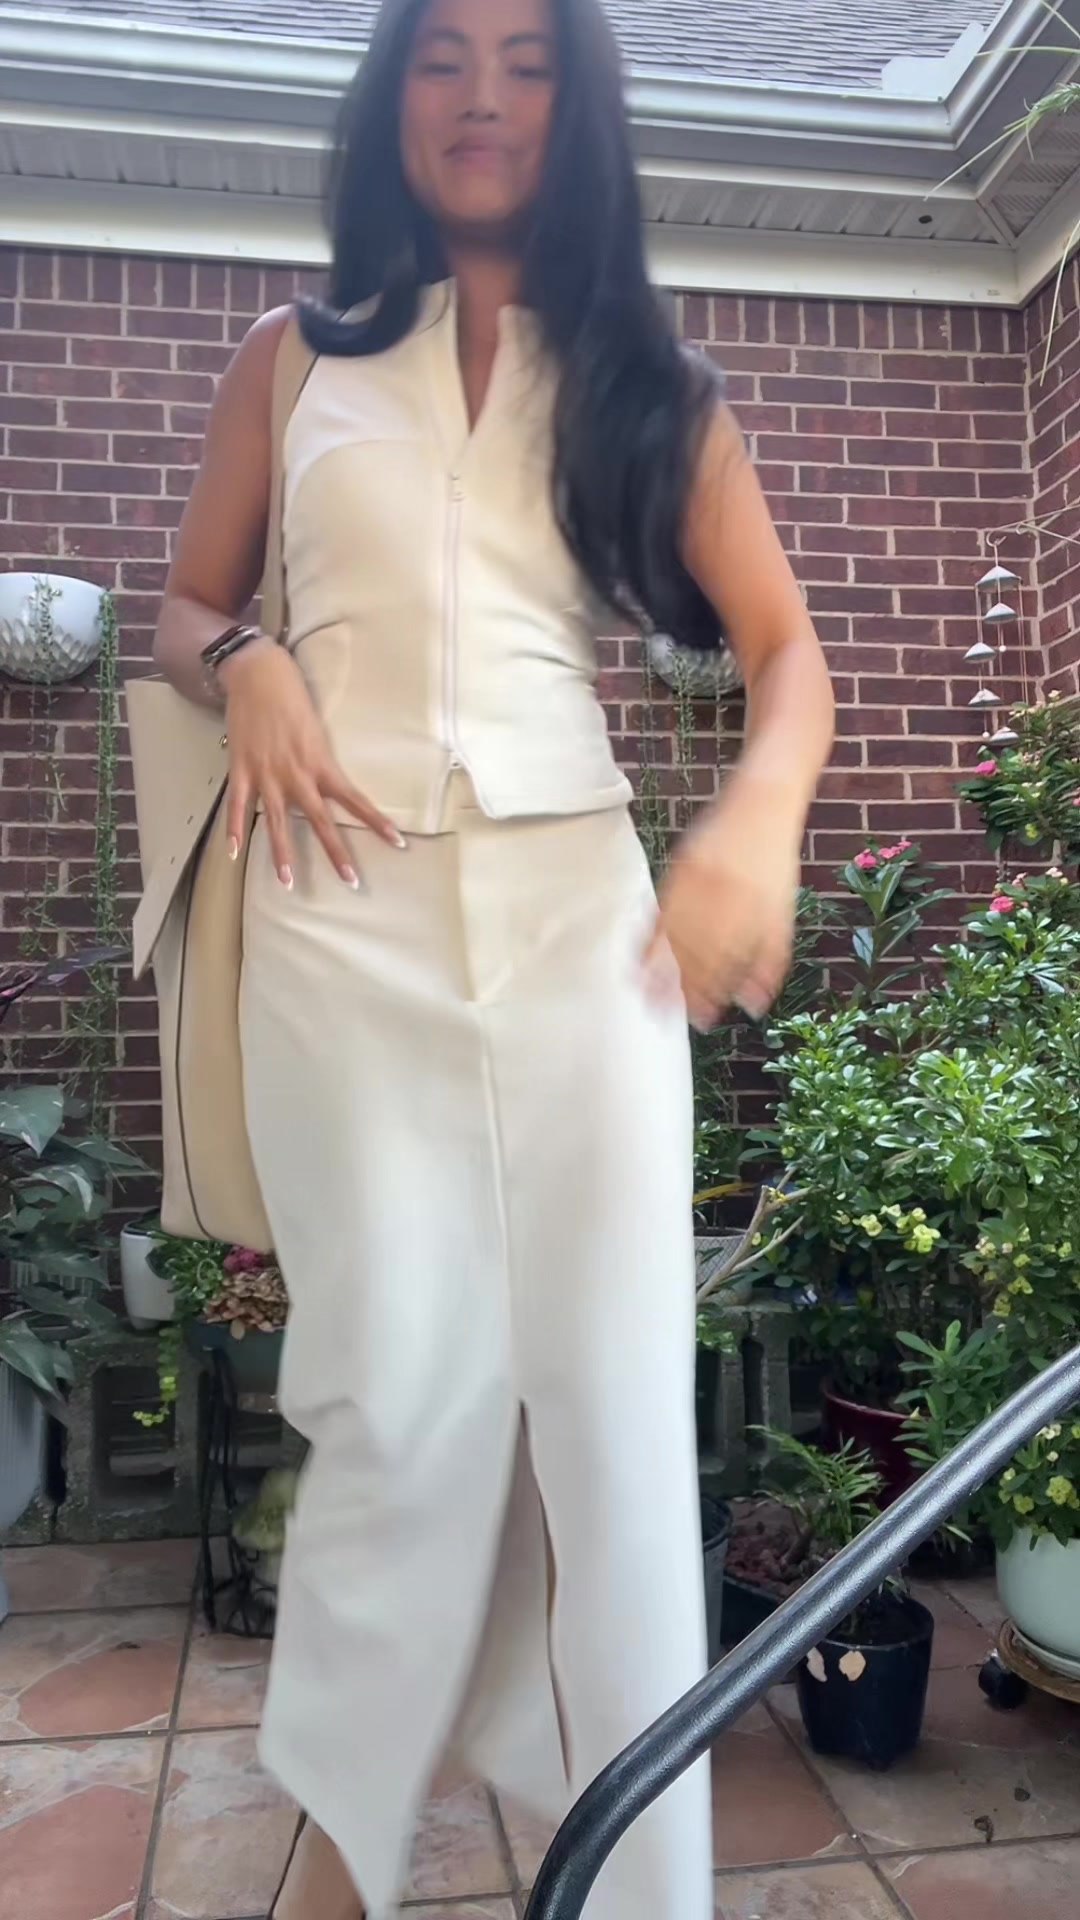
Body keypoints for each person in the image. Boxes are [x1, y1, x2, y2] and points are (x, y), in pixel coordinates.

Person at [154, 0, 834, 1914]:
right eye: (443, 53)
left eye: (527, 60)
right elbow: (183, 603)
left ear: (576, 106)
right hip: (335, 922)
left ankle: (647, 1889)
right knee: (392, 1414)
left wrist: (755, 824)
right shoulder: (291, 361)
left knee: (614, 1424)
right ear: (394, 98)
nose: (481, 94)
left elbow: (789, 653)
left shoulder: (647, 385)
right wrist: (245, 658)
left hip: (580, 937)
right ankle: (341, 1864)